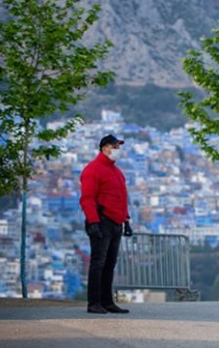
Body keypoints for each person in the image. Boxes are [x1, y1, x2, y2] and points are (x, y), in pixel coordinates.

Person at [79, 134, 133, 314]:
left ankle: (107, 301)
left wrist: (126, 220)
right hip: (102, 220)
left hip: (116, 221)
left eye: (118, 146)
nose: (117, 150)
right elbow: (87, 198)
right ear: (104, 148)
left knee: (110, 263)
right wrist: (93, 222)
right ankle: (94, 302)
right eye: (114, 146)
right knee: (98, 262)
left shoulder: (117, 172)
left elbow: (121, 198)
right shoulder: (93, 169)